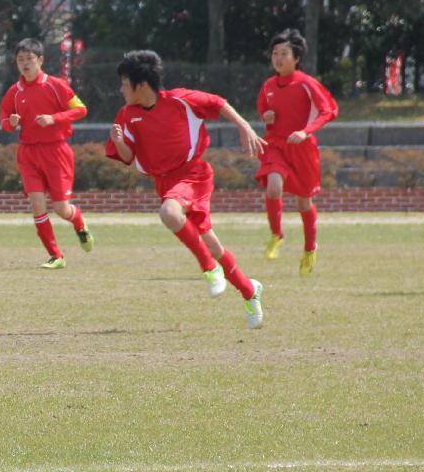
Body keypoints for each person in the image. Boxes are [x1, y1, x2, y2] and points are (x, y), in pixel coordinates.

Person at [105, 50, 267, 329]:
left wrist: (244, 126)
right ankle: (249, 291)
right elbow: (128, 158)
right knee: (212, 243)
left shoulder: (180, 100)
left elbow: (218, 103)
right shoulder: (126, 115)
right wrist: (118, 141)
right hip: (165, 183)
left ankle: (208, 268)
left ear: (141, 85)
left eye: (124, 83)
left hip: (192, 174)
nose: (120, 89)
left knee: (169, 213)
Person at [0, 37, 93, 269]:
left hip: (56, 152)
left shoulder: (56, 85)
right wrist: (10, 123)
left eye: (29, 59)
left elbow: (81, 109)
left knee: (61, 209)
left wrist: (55, 118)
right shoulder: (14, 91)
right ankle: (56, 255)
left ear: (40, 60)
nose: (25, 64)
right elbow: (4, 121)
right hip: (28, 153)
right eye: (20, 60)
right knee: (37, 205)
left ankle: (79, 222)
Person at [255, 30, 339, 276]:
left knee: (304, 202)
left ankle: (310, 248)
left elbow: (329, 111)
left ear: (296, 58)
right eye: (275, 53)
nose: (278, 58)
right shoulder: (268, 85)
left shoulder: (306, 83)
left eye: (284, 54)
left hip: (302, 149)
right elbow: (263, 107)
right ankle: (276, 235)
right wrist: (265, 116)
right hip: (275, 145)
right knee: (273, 187)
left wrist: (305, 131)